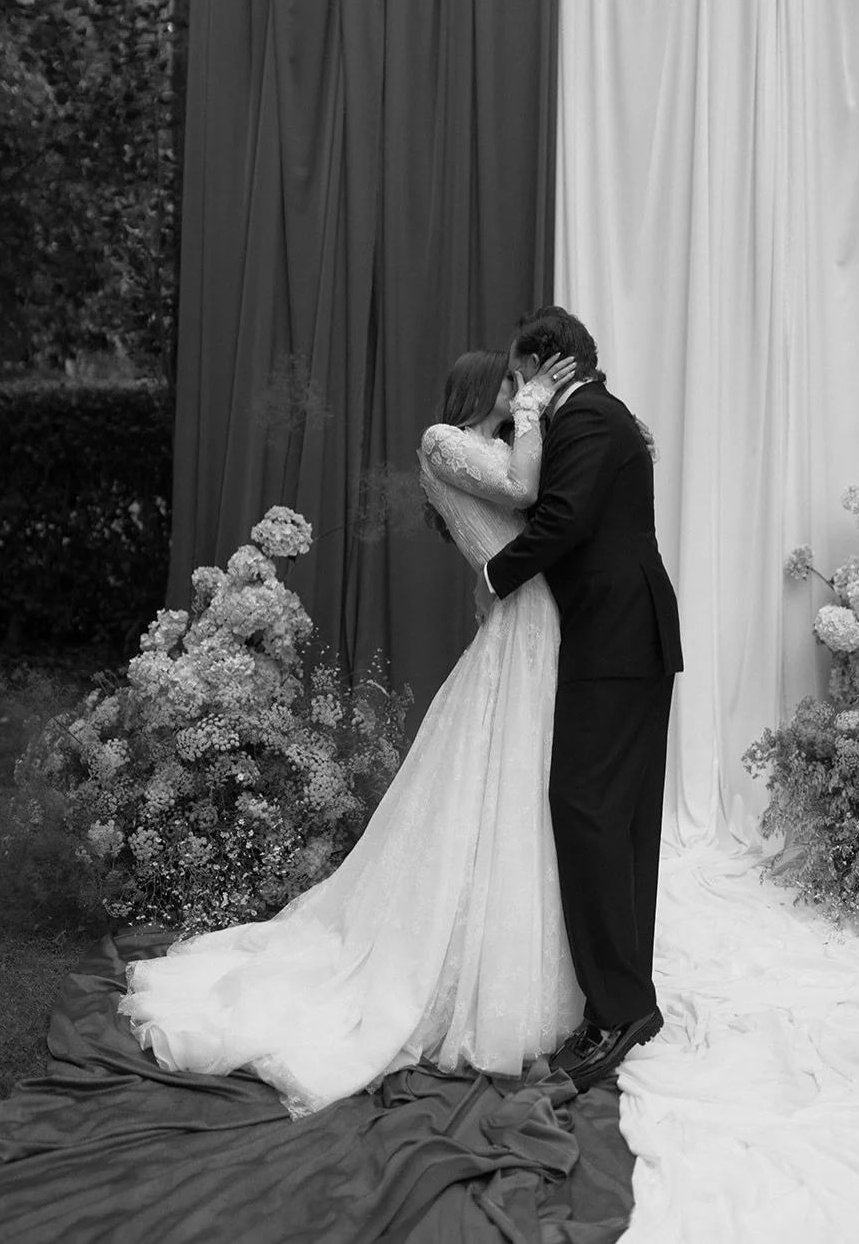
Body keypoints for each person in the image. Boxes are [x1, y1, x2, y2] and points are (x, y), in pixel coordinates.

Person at [118, 348, 586, 1118]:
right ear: (481, 388)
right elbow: (525, 491)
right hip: (519, 618)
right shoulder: (442, 440)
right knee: (493, 775)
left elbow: (537, 499)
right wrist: (535, 408)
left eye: (522, 383)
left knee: (520, 781)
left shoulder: (498, 447)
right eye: (508, 381)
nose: (519, 389)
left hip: (532, 616)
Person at [484, 307, 683, 1094]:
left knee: (585, 806)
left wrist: (495, 574)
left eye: (516, 370)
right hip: (622, 632)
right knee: (615, 813)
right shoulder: (601, 414)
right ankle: (628, 997)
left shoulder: (591, 417)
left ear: (543, 362)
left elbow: (563, 519)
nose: (513, 386)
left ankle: (617, 1010)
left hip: (617, 632)